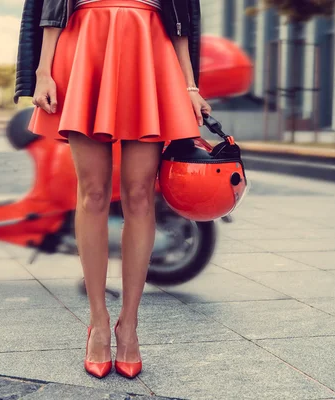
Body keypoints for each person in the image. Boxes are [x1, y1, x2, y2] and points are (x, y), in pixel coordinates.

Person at [13, 0, 210, 379]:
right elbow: (51, 6)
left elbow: (182, 15)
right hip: (84, 40)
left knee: (139, 194)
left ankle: (130, 325)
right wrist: (42, 71)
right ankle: (99, 323)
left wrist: (188, 84)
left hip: (149, 44)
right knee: (93, 192)